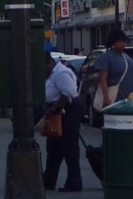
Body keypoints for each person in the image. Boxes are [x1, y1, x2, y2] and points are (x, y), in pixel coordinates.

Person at [42, 52, 83, 193]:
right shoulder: (51, 74)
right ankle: (48, 180)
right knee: (53, 148)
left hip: (67, 110)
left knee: (69, 147)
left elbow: (69, 93)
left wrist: (54, 107)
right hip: (57, 110)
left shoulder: (61, 73)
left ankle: (74, 182)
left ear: (49, 63)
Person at [93, 29, 133, 125]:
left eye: (124, 41)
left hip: (131, 100)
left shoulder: (126, 56)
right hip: (116, 100)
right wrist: (106, 98)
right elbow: (102, 79)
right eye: (120, 41)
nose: (123, 44)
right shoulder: (106, 56)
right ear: (113, 42)